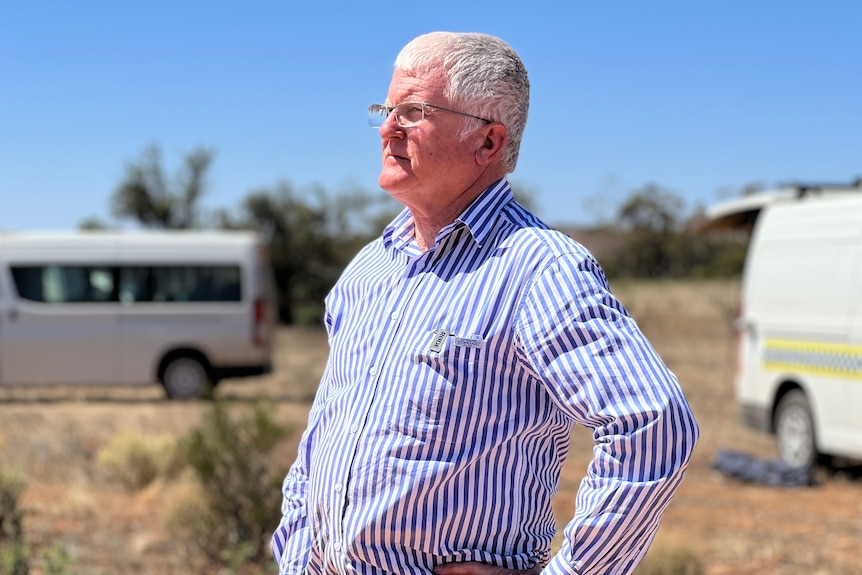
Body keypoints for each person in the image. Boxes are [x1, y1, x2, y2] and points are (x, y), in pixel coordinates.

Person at [271, 31, 699, 575]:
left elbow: (654, 424)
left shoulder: (540, 268)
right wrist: (295, 555)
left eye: (413, 111)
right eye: (386, 109)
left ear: (489, 143)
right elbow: (322, 439)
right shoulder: (369, 269)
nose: (386, 128)